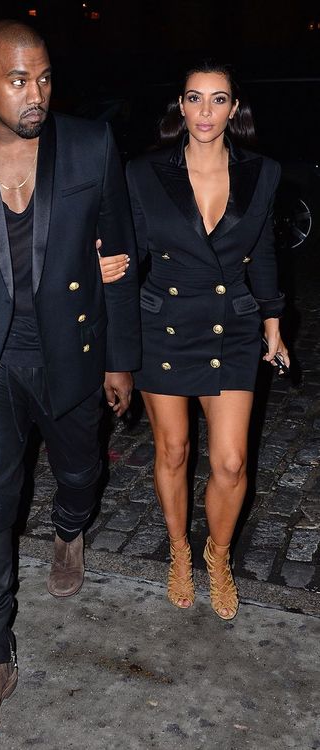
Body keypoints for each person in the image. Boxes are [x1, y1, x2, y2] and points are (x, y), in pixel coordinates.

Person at [0, 19, 140, 747]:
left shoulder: (89, 144)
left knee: (79, 471)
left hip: (71, 350)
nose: (36, 93)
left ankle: (71, 531)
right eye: (18, 80)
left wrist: (120, 359)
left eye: (44, 77)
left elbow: (120, 254)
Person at [101, 61, 289, 621]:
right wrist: (103, 266)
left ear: (235, 109)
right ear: (180, 106)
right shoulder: (144, 172)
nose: (205, 111)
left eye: (218, 99)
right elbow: (130, 252)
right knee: (175, 450)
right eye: (194, 98)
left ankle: (218, 556)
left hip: (232, 327)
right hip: (164, 325)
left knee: (230, 462)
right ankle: (180, 550)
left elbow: (264, 250)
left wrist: (273, 321)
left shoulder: (263, 172)